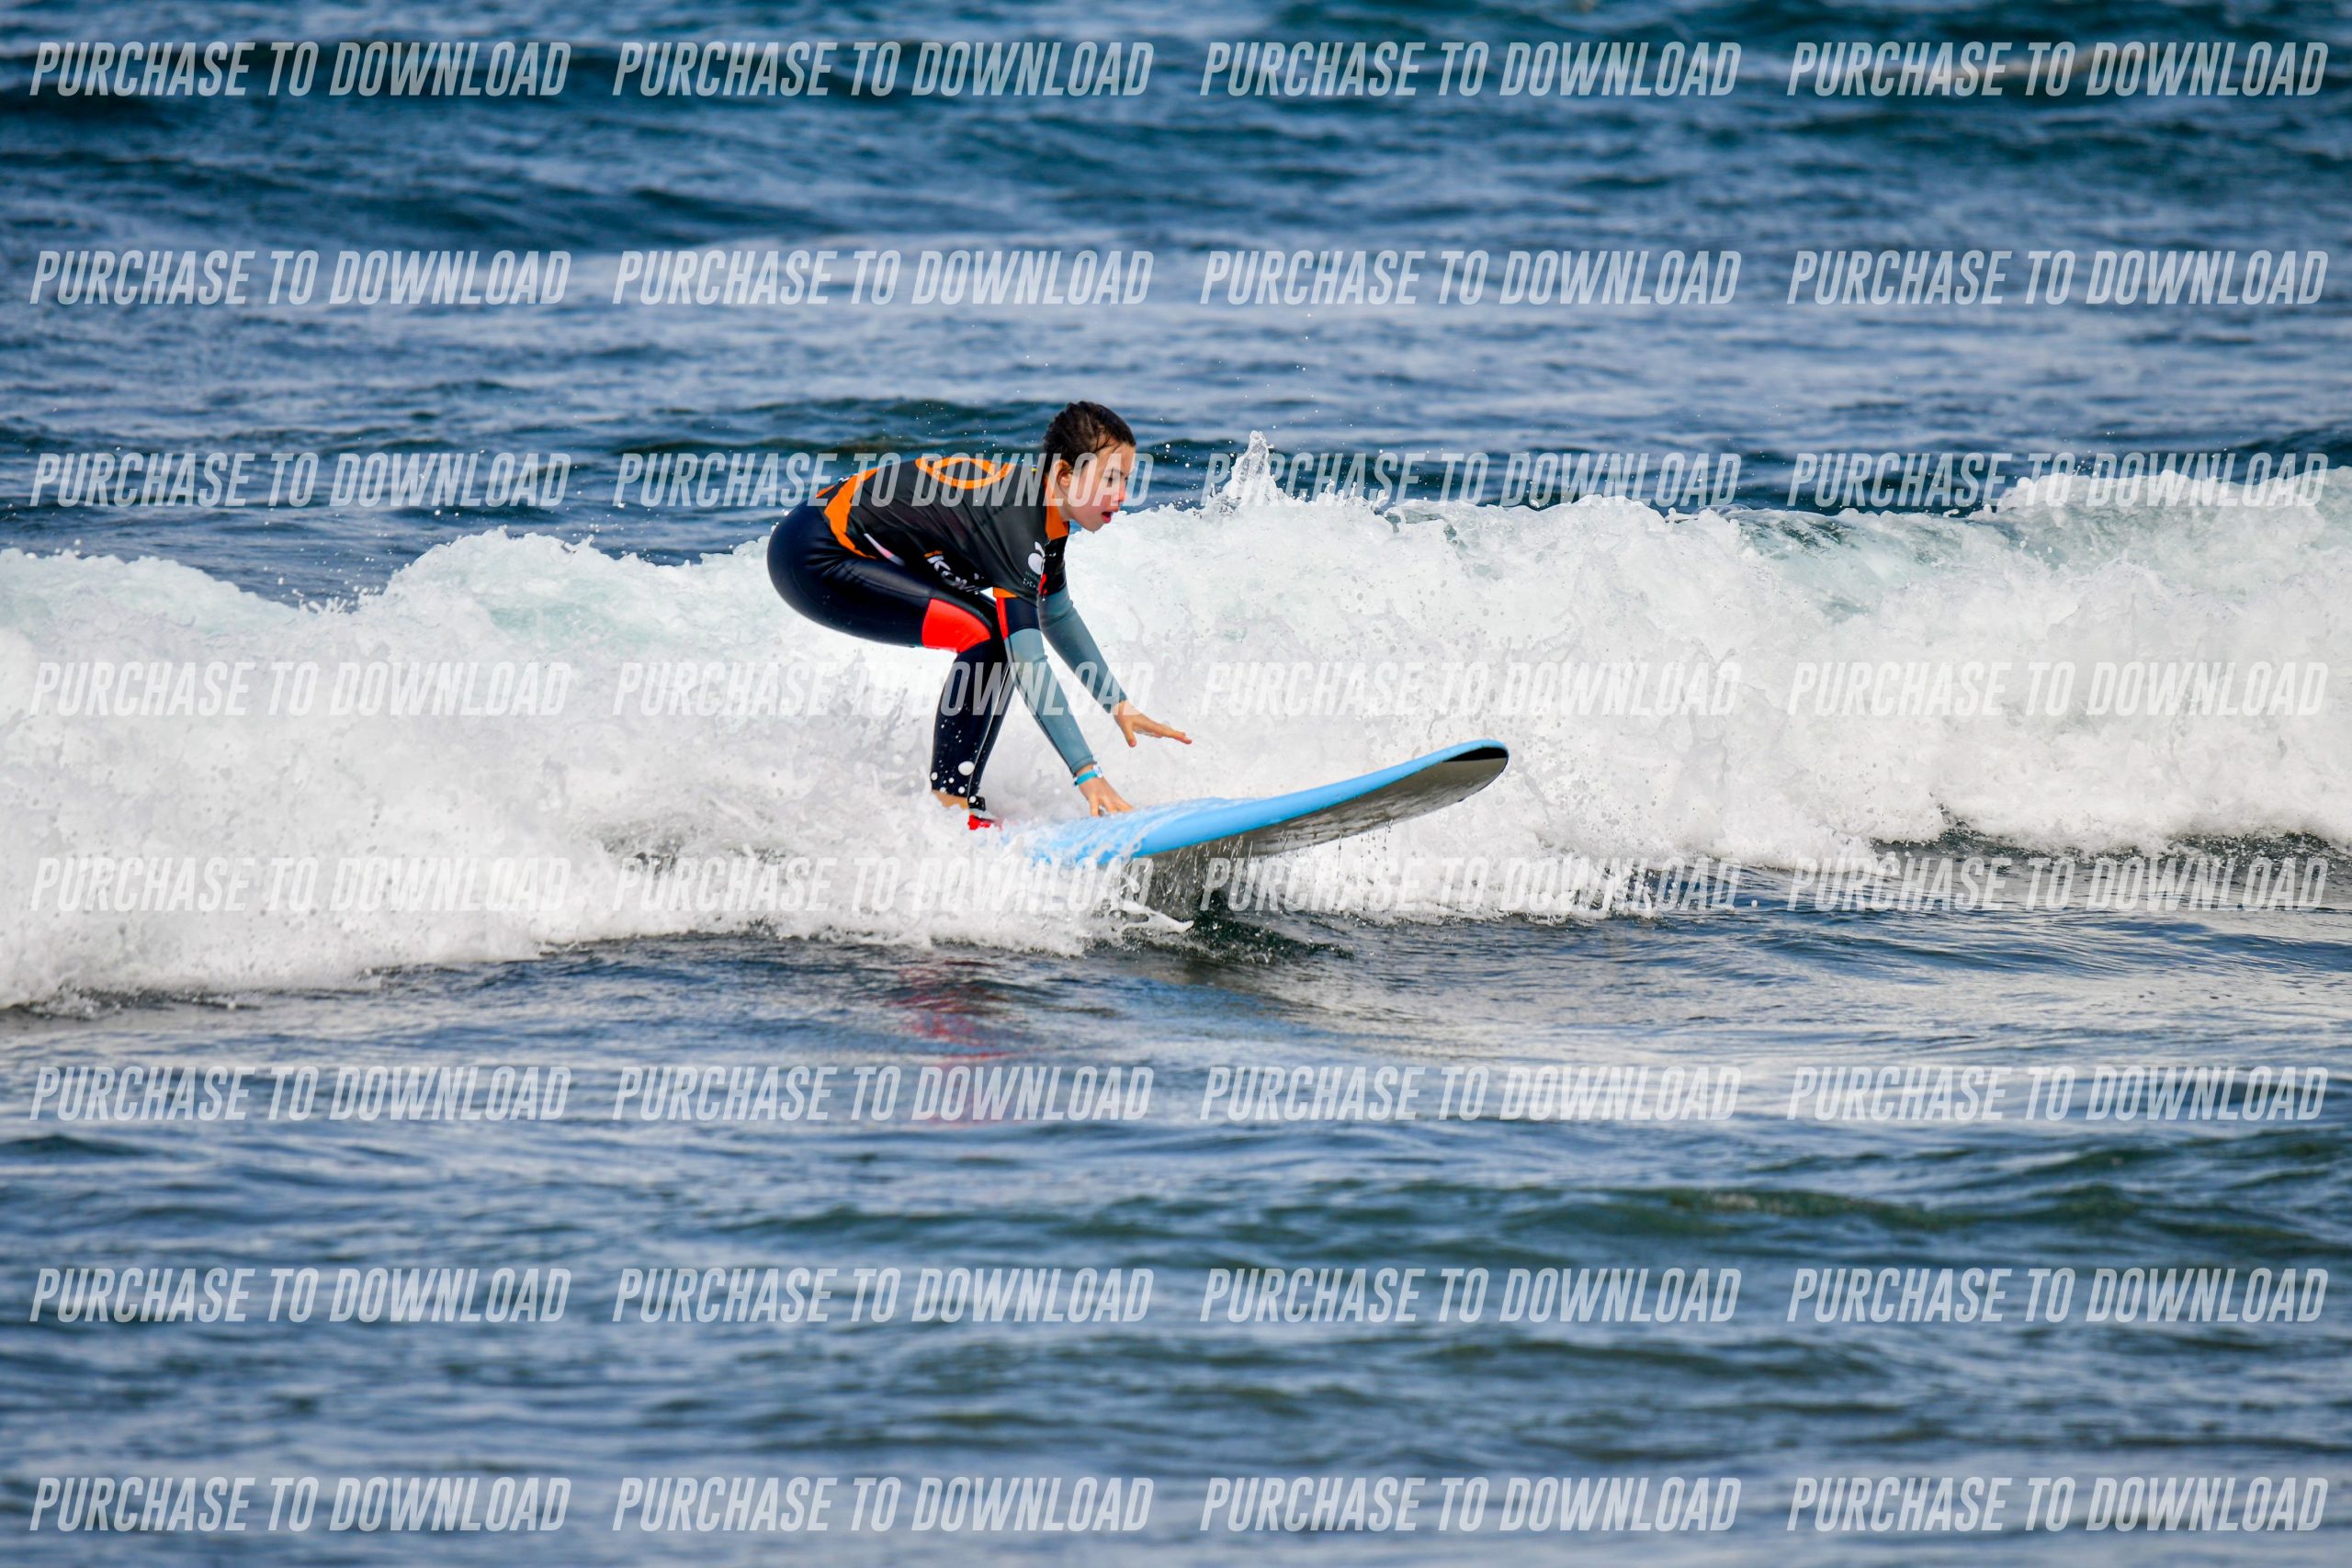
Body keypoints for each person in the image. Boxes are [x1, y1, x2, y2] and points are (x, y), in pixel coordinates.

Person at [766, 401, 1189, 827]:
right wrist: (1087, 774)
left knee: (993, 633)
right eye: (1110, 479)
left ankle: (962, 798)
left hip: (833, 540)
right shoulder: (1018, 524)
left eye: (1126, 480)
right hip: (814, 554)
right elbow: (1029, 663)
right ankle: (951, 808)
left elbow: (1057, 616)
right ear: (1065, 476)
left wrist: (1119, 705)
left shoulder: (1048, 517)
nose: (1122, 495)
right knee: (985, 635)